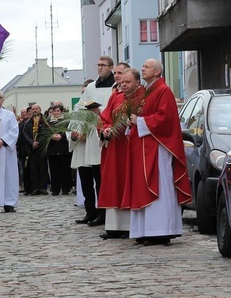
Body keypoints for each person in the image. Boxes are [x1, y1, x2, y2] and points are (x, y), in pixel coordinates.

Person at [126, 59, 192, 245]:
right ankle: (146, 230)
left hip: (159, 147)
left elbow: (165, 118)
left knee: (160, 187)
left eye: (146, 67)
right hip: (145, 147)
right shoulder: (149, 91)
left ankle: (161, 231)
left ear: (156, 71)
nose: (142, 68)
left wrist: (140, 121)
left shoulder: (164, 91)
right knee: (143, 186)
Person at [73, 56, 115, 226]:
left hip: (103, 135)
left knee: (100, 179)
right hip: (87, 137)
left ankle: (102, 213)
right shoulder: (90, 87)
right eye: (97, 65)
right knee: (85, 178)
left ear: (110, 67)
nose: (99, 68)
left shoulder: (115, 87)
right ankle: (90, 211)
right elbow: (79, 109)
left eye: (103, 65)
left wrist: (100, 113)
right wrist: (76, 131)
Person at [97, 63, 132, 239]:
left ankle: (128, 226)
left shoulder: (135, 96)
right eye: (116, 73)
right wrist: (106, 129)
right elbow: (105, 119)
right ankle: (113, 226)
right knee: (112, 183)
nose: (117, 76)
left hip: (127, 147)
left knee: (125, 183)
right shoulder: (115, 97)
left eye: (121, 73)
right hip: (113, 147)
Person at [21, 104, 50, 195]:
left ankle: (43, 187)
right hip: (32, 149)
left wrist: (38, 142)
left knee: (43, 168)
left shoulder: (45, 121)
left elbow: (46, 132)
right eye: (33, 109)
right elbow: (25, 133)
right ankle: (35, 187)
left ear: (40, 109)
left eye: (36, 108)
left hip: (41, 148)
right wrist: (32, 142)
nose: (34, 110)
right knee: (33, 169)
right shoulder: (28, 122)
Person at [46, 104, 72, 196]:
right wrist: (51, 136)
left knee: (65, 170)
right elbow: (44, 132)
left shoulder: (66, 121)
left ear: (61, 112)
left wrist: (62, 136)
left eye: (58, 111)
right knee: (54, 171)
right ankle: (55, 189)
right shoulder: (48, 121)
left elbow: (69, 131)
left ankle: (66, 188)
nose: (56, 113)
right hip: (52, 149)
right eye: (54, 111)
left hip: (64, 149)